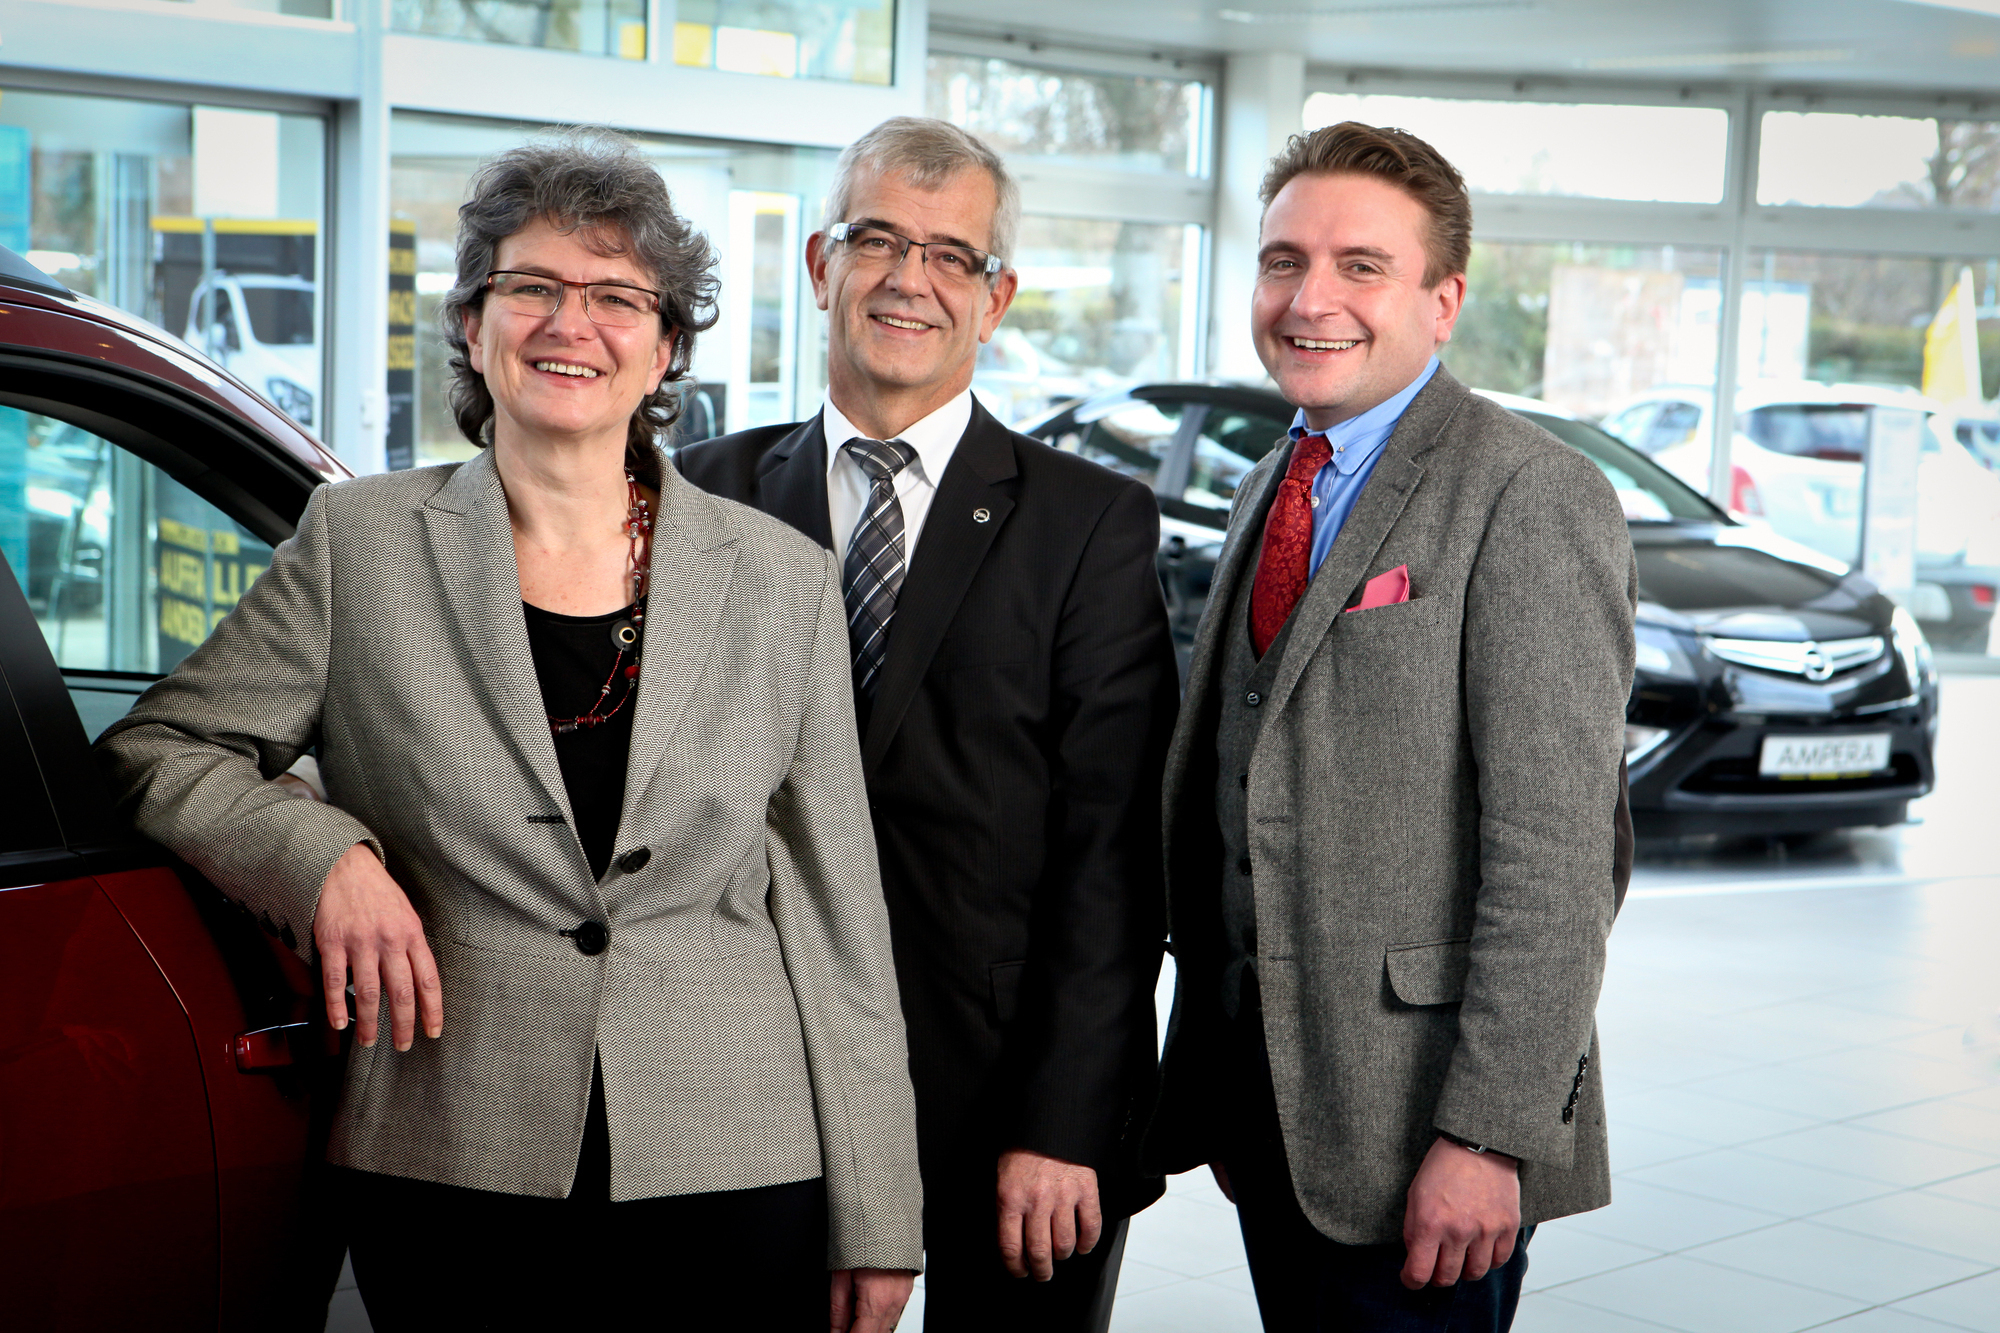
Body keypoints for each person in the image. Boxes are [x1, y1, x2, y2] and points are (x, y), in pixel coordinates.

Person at [95, 129, 921, 1332]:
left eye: (613, 297)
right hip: (453, 1140)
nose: (566, 324)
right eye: (529, 287)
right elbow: (161, 751)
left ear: (664, 347)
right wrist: (326, 861)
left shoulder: (779, 579)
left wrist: (879, 1211)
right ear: (474, 324)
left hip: (734, 1152)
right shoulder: (357, 544)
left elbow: (839, 915)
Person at [676, 116, 1179, 1333]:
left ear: (995, 297)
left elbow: (1112, 861)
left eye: (952, 255)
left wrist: (1063, 1124)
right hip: (756, 1086)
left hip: (1006, 1104)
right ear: (817, 265)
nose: (910, 279)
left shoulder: (1090, 524)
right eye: (878, 240)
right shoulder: (703, 494)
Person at [1144, 122, 1637, 1331]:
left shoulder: (1527, 494)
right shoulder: (1277, 475)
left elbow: (1559, 855)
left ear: (1442, 299)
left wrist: (1487, 1134)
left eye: (1359, 265)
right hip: (1281, 1105)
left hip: (1428, 1130)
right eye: (1280, 261)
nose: (1309, 299)